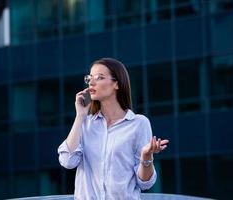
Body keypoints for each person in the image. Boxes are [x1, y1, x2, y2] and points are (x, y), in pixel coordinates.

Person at [58, 58, 169, 200]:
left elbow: (145, 183)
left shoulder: (138, 123)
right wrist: (80, 115)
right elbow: (67, 161)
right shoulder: (85, 123)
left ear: (116, 84)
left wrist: (146, 157)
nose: (91, 82)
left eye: (99, 77)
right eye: (89, 78)